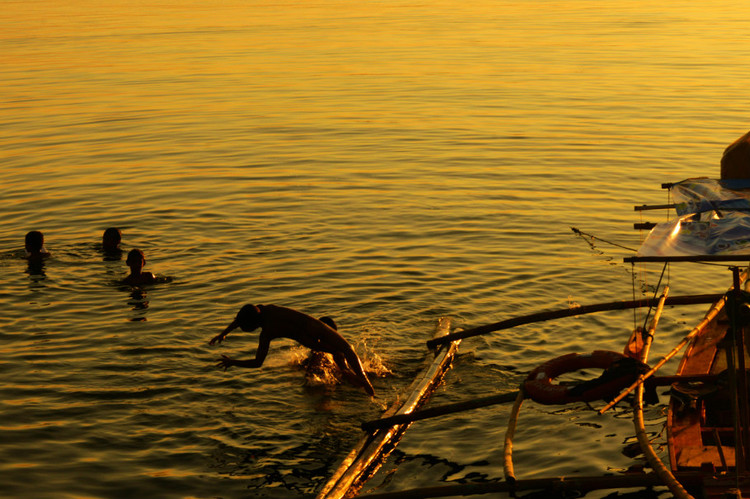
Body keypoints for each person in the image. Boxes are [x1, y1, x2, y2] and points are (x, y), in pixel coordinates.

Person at [209, 304, 375, 396]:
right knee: (346, 349)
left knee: (340, 354)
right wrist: (224, 334)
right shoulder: (266, 309)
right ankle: (363, 381)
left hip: (308, 338)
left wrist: (231, 358)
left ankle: (357, 379)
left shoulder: (266, 333)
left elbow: (257, 363)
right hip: (311, 327)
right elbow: (243, 317)